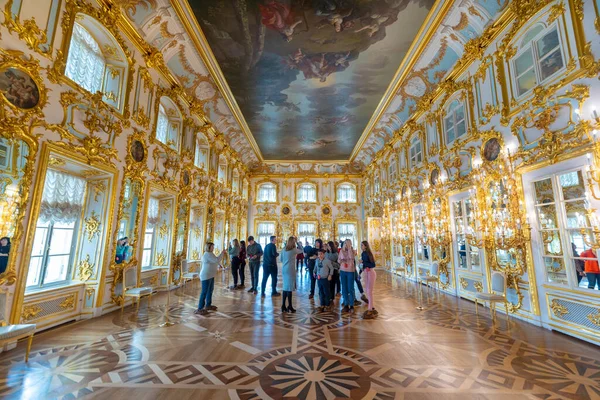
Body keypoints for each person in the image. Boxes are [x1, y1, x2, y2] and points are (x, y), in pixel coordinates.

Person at [195, 242, 226, 315]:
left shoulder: (211, 254)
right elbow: (216, 260)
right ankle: (200, 308)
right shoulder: (207, 254)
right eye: (212, 247)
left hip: (211, 275)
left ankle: (208, 305)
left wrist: (220, 265)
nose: (213, 248)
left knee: (210, 290)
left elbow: (215, 260)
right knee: (204, 292)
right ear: (208, 247)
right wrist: (222, 253)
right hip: (206, 276)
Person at [281, 236, 302, 312]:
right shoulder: (293, 250)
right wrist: (297, 242)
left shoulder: (283, 250)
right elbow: (302, 250)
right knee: (289, 288)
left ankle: (283, 305)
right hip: (290, 270)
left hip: (284, 269)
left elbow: (281, 259)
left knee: (285, 287)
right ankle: (289, 306)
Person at [360, 241, 378, 319]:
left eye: (362, 245)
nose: (361, 246)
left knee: (369, 291)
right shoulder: (362, 254)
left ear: (366, 246)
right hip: (366, 272)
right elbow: (363, 265)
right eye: (361, 245)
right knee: (367, 290)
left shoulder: (368, 253)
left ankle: (370, 308)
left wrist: (363, 263)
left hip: (371, 273)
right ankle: (372, 306)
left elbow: (373, 264)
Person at [338, 239, 357, 313]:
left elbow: (351, 258)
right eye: (345, 243)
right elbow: (338, 260)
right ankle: (346, 304)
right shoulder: (341, 251)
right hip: (343, 271)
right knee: (344, 288)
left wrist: (349, 248)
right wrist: (341, 261)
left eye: (348, 243)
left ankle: (351, 305)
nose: (346, 245)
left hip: (350, 271)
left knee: (350, 288)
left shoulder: (352, 251)